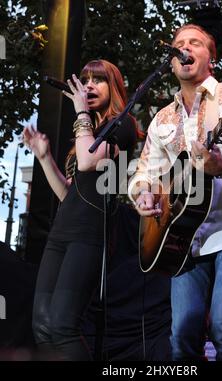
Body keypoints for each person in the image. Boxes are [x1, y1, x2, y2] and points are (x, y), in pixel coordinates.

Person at [128, 24, 222, 361]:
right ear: (172, 62)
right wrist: (144, 194)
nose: (184, 48)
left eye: (194, 43)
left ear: (211, 60)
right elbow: (143, 173)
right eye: (178, 44)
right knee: (182, 336)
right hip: (183, 238)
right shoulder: (163, 117)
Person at [22, 59, 138, 360]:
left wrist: (82, 113)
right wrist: (45, 158)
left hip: (90, 233)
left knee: (63, 325)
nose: (88, 86)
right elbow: (68, 193)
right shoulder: (88, 130)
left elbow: (88, 161)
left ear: (113, 87)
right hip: (62, 230)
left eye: (97, 80)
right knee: (42, 326)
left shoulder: (122, 125)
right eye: (84, 80)